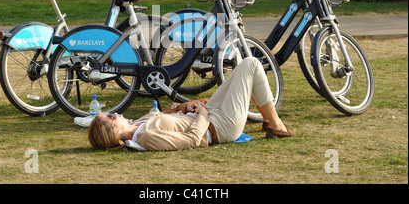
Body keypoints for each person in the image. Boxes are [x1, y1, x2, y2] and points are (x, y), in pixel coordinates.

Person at [88, 57, 293, 151]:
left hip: (208, 114)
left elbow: (169, 114)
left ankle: (272, 122)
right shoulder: (147, 137)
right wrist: (202, 113)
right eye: (111, 117)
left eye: (110, 113)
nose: (115, 114)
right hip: (220, 127)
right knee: (252, 65)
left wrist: (185, 108)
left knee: (245, 66)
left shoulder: (139, 124)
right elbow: (193, 140)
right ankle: (275, 124)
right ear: (112, 133)